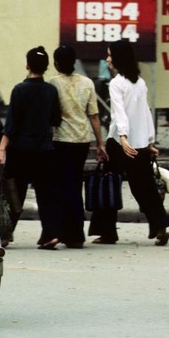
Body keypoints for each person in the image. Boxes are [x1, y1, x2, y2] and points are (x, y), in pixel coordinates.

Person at [88, 40, 169, 246]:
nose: (107, 59)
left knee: (108, 183)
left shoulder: (117, 83)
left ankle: (107, 232)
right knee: (144, 186)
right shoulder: (139, 82)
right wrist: (149, 140)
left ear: (118, 58)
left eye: (110, 55)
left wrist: (123, 137)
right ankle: (159, 225)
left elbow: (119, 114)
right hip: (139, 143)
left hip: (119, 142)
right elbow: (145, 114)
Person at [0, 47, 62, 249]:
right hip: (44, 149)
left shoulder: (19, 90)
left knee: (14, 193)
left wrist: (1, 150)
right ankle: (51, 234)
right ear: (45, 67)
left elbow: (11, 124)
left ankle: (5, 234)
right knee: (45, 193)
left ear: (27, 65)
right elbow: (56, 120)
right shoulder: (51, 90)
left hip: (20, 149)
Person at [49, 45, 108, 249]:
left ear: (56, 63)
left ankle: (71, 234)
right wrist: (100, 143)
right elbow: (93, 115)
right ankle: (74, 233)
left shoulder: (53, 84)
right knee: (75, 185)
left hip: (61, 140)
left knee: (65, 187)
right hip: (82, 141)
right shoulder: (87, 83)